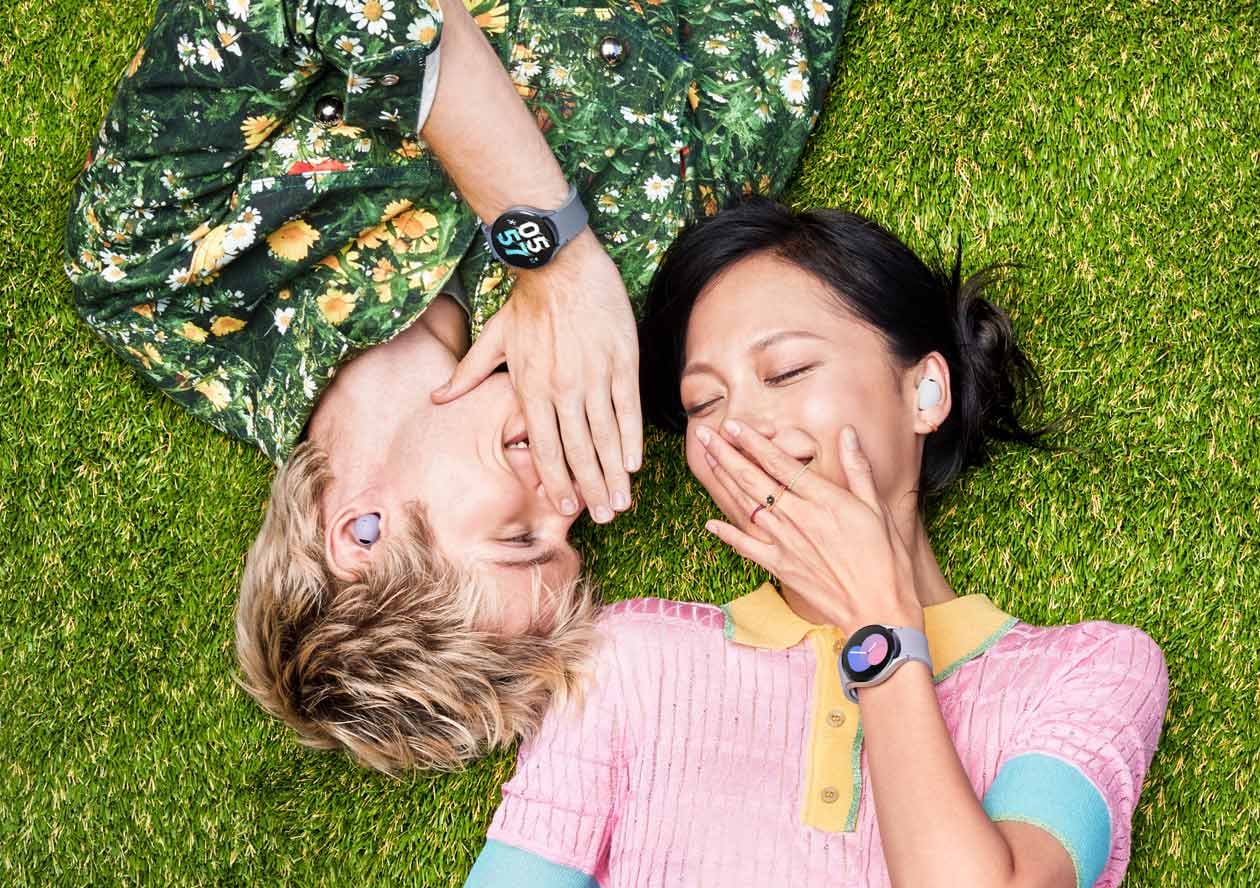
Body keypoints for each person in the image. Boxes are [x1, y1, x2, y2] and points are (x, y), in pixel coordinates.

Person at [63, 0, 852, 769]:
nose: (570, 500)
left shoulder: (158, 281)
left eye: (518, 538)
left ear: (361, 534)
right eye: (567, 540)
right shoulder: (637, 332)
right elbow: (766, 61)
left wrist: (555, 259)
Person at [464, 200, 1170, 887]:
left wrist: (880, 624)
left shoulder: (1088, 673)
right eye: (704, 403)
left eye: (786, 371)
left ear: (925, 392)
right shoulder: (623, 661)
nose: (738, 425)